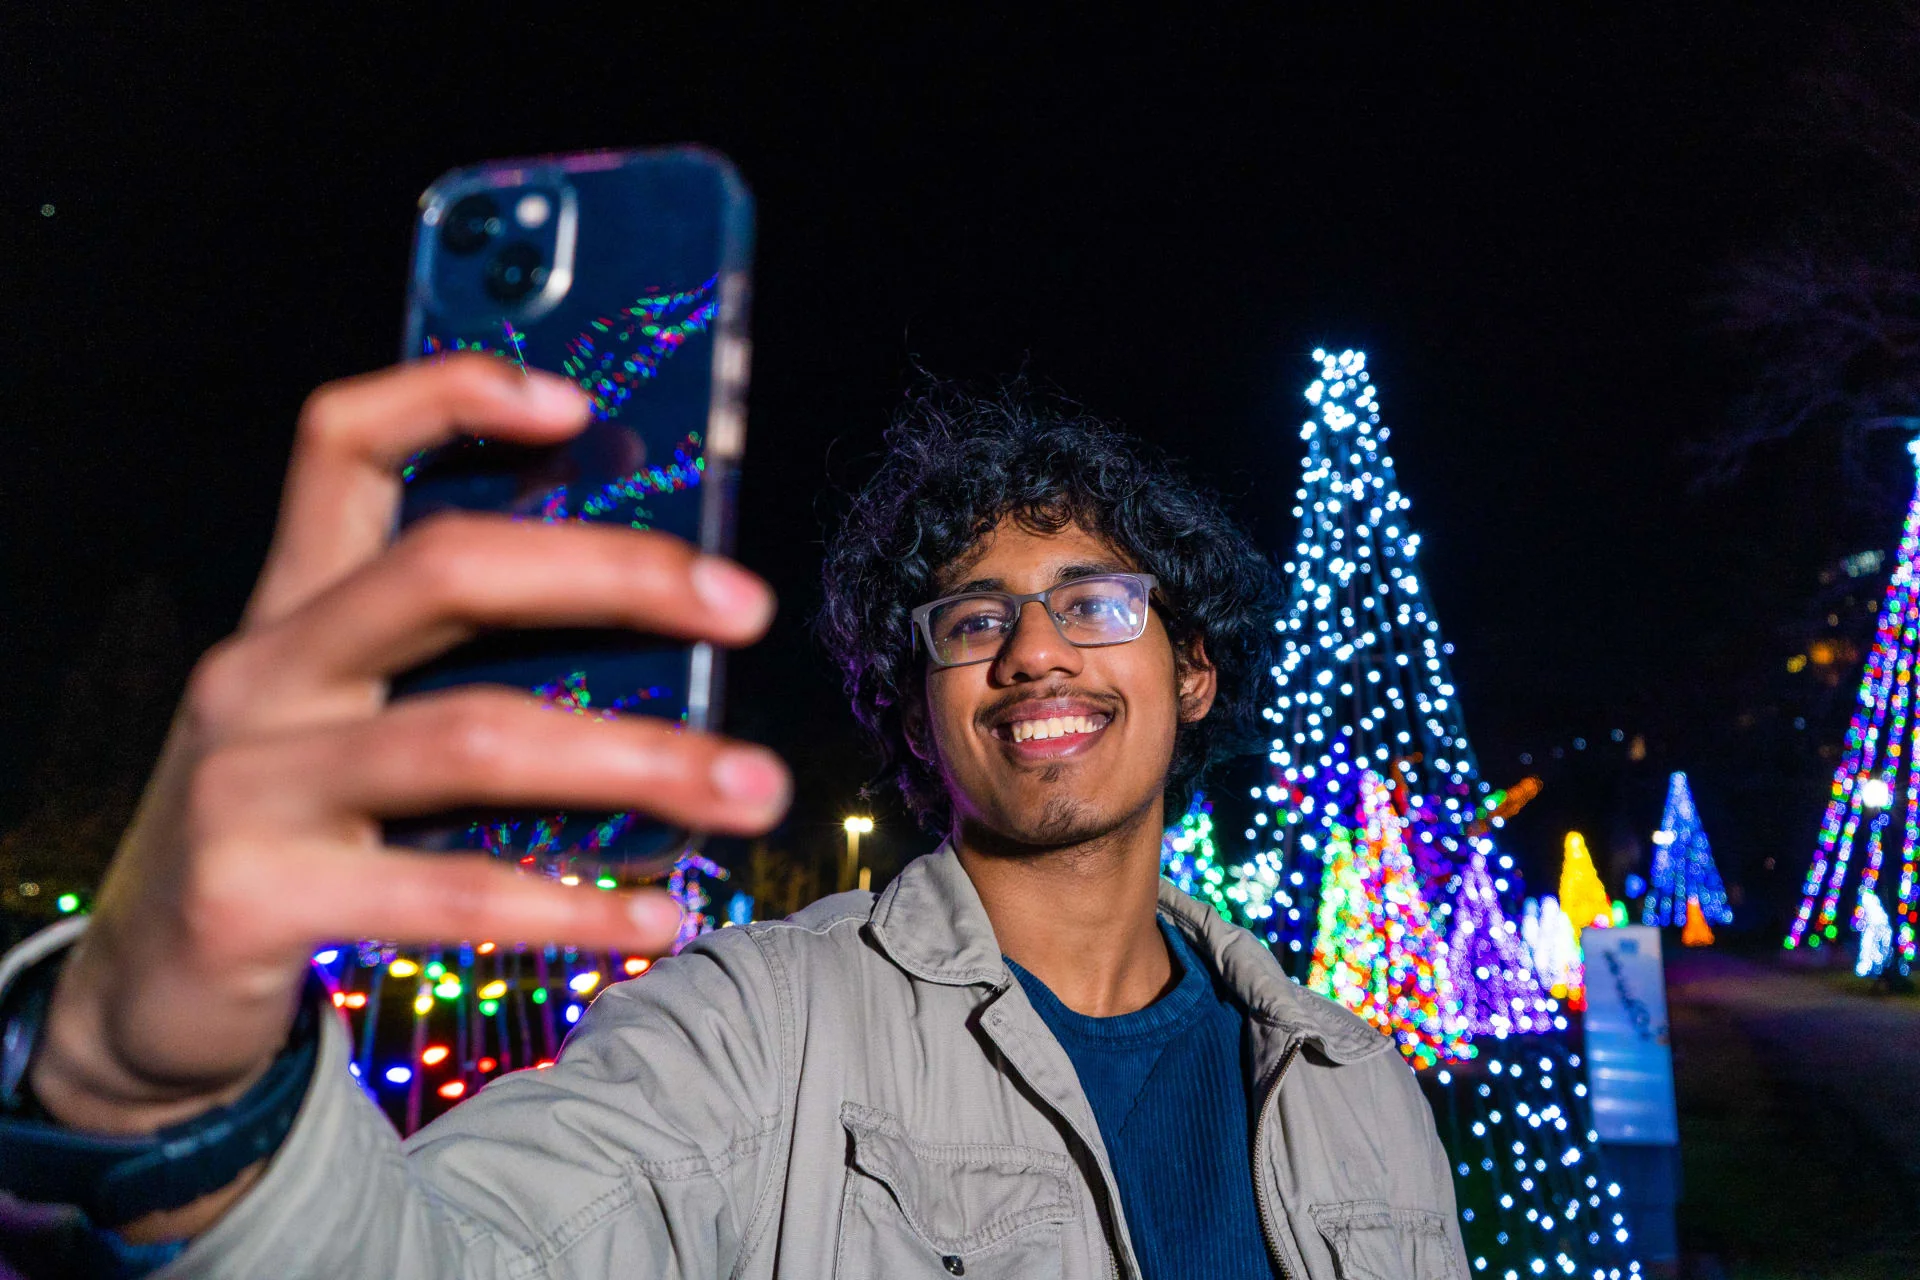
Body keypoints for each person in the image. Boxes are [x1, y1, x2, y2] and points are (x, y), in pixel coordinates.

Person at [0, 357, 1467, 1279]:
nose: (1035, 653)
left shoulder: (1355, 1086)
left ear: (1192, 669)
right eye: (974, 621)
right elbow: (453, 1251)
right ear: (915, 712)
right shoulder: (751, 1033)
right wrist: (175, 1105)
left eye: (1093, 603)